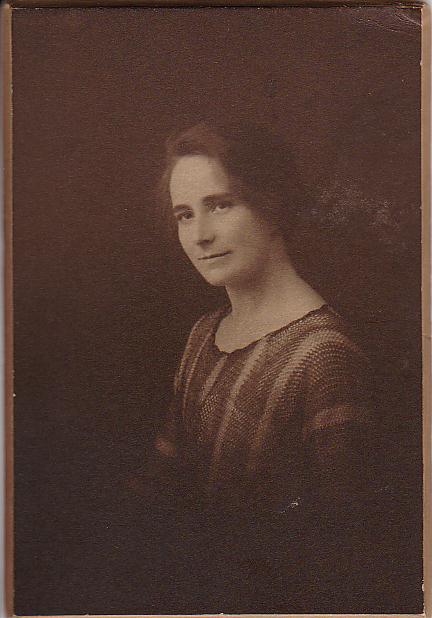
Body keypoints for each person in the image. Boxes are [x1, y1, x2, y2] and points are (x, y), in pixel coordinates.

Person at [143, 120, 382, 612]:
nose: (200, 236)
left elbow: (347, 558)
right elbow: (161, 489)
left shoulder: (324, 357)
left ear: (272, 206)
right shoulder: (202, 335)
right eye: (185, 215)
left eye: (220, 205)